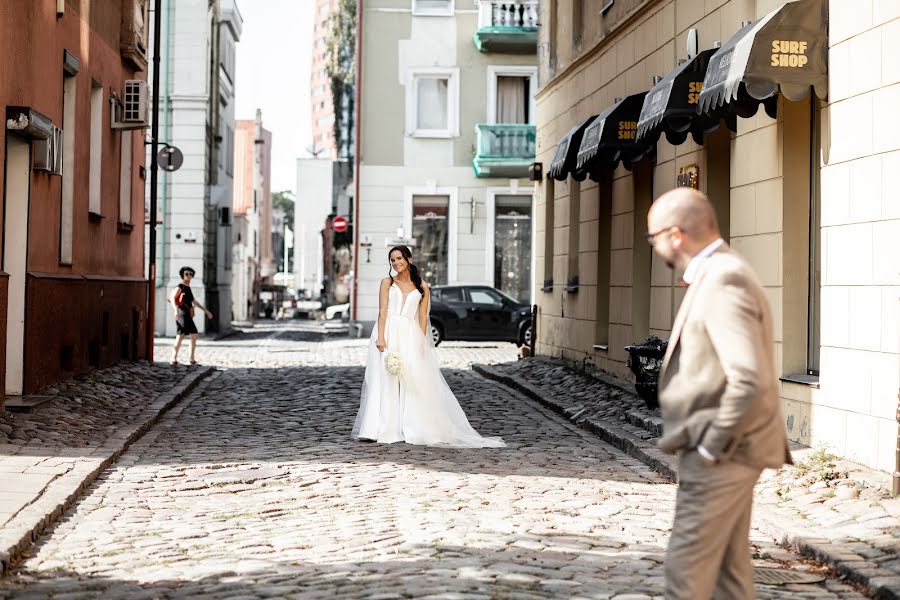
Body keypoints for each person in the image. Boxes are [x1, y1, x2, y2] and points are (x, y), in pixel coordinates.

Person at [646, 188, 792, 599]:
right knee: (729, 573)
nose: (653, 246)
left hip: (724, 452)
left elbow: (748, 377)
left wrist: (712, 447)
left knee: (686, 569)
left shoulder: (723, 277)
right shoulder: (719, 273)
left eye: (652, 237)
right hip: (731, 449)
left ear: (675, 235)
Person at [352, 246, 504, 448]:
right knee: (385, 377)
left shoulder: (422, 286)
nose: (396, 263)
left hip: (409, 334)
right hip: (387, 331)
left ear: (409, 259)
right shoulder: (387, 283)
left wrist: (421, 342)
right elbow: (382, 311)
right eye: (392, 260)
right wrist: (380, 337)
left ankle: (410, 426)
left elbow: (423, 317)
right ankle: (379, 428)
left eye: (399, 258)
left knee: (410, 378)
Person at [169, 266, 213, 366]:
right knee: (180, 335)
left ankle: (191, 359)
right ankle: (173, 358)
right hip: (181, 313)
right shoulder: (180, 286)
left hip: (187, 313)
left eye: (190, 274)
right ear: (182, 276)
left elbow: (194, 301)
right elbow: (172, 298)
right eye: (186, 274)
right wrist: (175, 310)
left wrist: (206, 311)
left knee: (194, 335)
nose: (189, 276)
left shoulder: (188, 288)